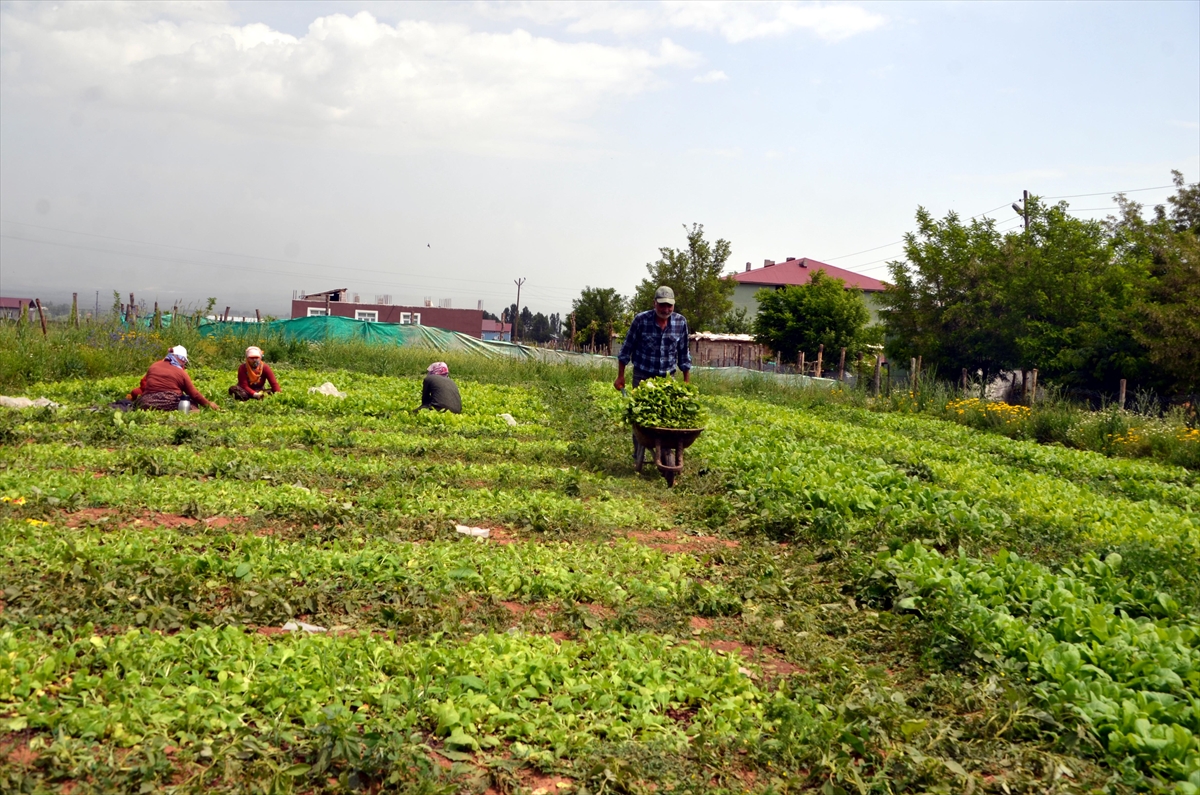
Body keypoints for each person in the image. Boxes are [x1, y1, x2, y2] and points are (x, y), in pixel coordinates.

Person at [614, 286, 692, 463]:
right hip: (642, 375)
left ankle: (665, 448)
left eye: (669, 306)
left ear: (673, 305)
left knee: (666, 415)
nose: (665, 309)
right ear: (654, 303)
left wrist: (686, 383)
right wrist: (620, 376)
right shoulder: (641, 320)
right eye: (662, 305)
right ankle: (639, 452)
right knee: (641, 418)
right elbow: (626, 350)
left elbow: (684, 354)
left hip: (667, 379)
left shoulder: (680, 323)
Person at [128, 345, 220, 411]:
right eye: (184, 361)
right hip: (169, 402)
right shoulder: (181, 373)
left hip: (146, 402)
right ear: (180, 358)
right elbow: (194, 394)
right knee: (193, 406)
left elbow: (144, 386)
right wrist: (208, 404)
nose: (184, 363)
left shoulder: (153, 366)